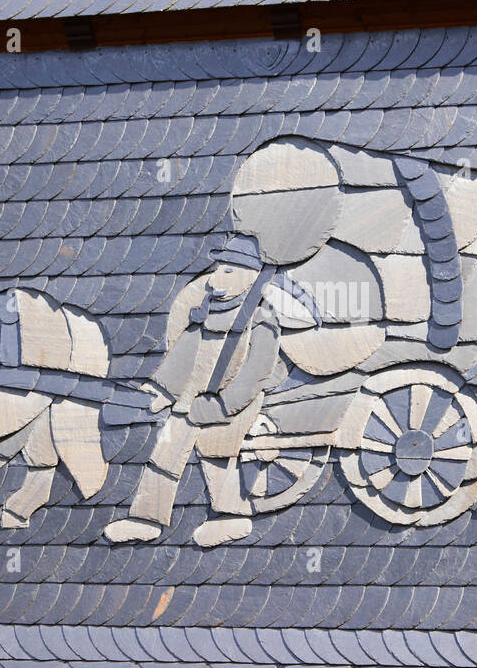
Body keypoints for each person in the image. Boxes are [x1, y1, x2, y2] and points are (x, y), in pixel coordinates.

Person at [104, 234, 318, 547]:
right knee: (165, 450)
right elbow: (183, 356)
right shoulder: (206, 312)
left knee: (215, 450)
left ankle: (231, 516)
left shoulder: (260, 318)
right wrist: (161, 390)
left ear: (249, 276)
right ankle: (146, 519)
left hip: (233, 406)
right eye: (218, 268)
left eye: (228, 271)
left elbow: (256, 372)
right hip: (191, 399)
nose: (216, 277)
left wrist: (222, 406)